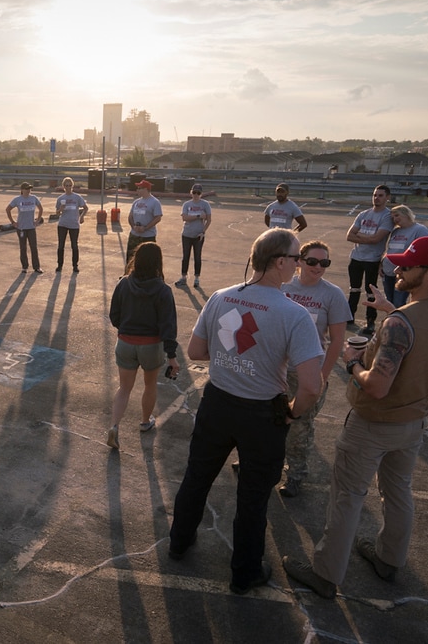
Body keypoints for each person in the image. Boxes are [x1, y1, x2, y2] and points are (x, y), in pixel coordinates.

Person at [283, 236, 428, 599]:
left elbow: (378, 386)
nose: (398, 269)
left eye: (408, 266)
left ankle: (326, 574)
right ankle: (389, 559)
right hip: (414, 420)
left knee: (347, 497)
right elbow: (423, 335)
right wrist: (390, 310)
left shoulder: (401, 323)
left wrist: (352, 362)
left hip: (375, 423)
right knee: (398, 492)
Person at [169, 228, 323, 595]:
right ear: (279, 262)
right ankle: (244, 572)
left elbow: (195, 352)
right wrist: (292, 413)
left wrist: (232, 359)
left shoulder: (220, 298)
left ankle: (178, 543)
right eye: (297, 258)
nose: (300, 264)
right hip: (262, 415)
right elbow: (311, 387)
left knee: (197, 477)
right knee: (253, 498)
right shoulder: (295, 314)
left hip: (217, 403)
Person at [275, 240, 352, 497]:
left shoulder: (332, 294)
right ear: (299, 261)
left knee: (299, 428)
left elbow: (337, 341)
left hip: (306, 372)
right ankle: (257, 461)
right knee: (264, 418)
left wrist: (322, 377)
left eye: (324, 263)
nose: (318, 267)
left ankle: (295, 475)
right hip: (276, 369)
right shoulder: (283, 286)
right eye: (312, 261)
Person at [107, 243, 179, 449]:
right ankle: (145, 422)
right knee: (150, 384)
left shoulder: (123, 284)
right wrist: (172, 356)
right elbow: (168, 326)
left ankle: (114, 426)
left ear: (136, 260)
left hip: (125, 343)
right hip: (151, 345)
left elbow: (114, 315)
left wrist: (126, 329)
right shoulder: (163, 290)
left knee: (124, 388)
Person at [345, 184, 393, 336]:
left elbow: (376, 239)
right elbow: (349, 235)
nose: (376, 198)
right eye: (375, 195)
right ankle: (349, 316)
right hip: (356, 257)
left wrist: (360, 235)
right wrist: (368, 238)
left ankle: (370, 321)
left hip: (372, 259)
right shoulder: (363, 214)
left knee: (371, 290)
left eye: (380, 195)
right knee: (354, 288)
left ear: (387, 197)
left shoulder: (387, 216)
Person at [381, 205, 428, 308]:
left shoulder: (419, 229)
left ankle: (399, 318)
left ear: (406, 214)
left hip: (404, 272)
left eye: (397, 215)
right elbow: (390, 249)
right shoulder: (395, 231)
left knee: (398, 302)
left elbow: (422, 252)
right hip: (388, 270)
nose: (395, 219)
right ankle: (390, 317)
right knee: (389, 300)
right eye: (393, 217)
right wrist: (382, 264)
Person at [176, 184, 212, 288]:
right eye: (194, 192)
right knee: (185, 256)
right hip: (187, 234)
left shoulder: (205, 204)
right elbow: (184, 218)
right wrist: (198, 216)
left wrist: (203, 232)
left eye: (198, 193)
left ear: (201, 194)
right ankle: (183, 277)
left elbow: (209, 220)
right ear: (191, 192)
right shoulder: (186, 204)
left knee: (197, 256)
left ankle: (196, 278)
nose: (196, 195)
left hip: (198, 235)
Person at [6, 182, 44, 274]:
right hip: (21, 228)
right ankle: (24, 266)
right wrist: (13, 222)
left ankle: (36, 267)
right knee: (23, 248)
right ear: (22, 190)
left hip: (31, 227)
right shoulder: (17, 199)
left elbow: (40, 208)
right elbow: (8, 209)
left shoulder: (34, 198)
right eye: (26, 189)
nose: (28, 191)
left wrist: (37, 220)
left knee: (33, 247)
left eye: (29, 189)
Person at [125, 180, 163, 273]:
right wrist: (133, 226)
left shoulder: (154, 202)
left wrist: (145, 228)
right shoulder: (136, 202)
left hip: (147, 236)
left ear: (146, 189)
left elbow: (158, 218)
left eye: (139, 188)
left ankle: (147, 276)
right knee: (130, 256)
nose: (137, 190)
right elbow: (130, 216)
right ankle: (128, 274)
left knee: (148, 258)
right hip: (134, 234)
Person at [53, 177, 88, 273]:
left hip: (74, 224)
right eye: (66, 185)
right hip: (63, 224)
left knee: (74, 246)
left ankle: (75, 266)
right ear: (63, 186)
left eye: (70, 185)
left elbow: (85, 208)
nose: (68, 187)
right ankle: (59, 265)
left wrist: (82, 217)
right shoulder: (60, 198)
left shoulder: (77, 197)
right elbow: (57, 213)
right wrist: (60, 209)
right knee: (61, 245)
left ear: (72, 186)